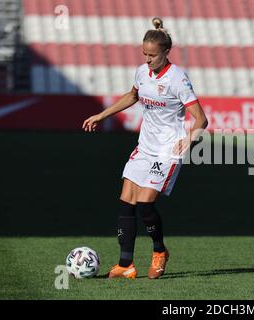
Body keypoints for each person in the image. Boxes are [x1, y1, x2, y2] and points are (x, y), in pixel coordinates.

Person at [82, 18, 208, 279]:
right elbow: (132, 96)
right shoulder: (142, 72)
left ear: (165, 53)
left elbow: (201, 118)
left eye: (153, 55)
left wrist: (190, 139)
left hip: (167, 150)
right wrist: (102, 115)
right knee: (125, 202)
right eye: (145, 54)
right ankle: (125, 264)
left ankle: (160, 251)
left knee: (145, 204)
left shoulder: (177, 78)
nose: (148, 59)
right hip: (145, 147)